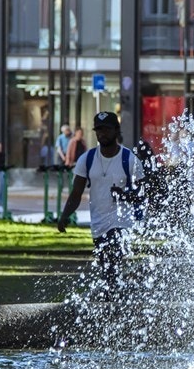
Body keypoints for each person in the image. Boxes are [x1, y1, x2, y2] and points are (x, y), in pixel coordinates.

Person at [55, 112, 136, 286]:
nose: (102, 134)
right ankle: (115, 296)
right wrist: (64, 216)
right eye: (98, 130)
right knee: (105, 266)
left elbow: (144, 194)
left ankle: (112, 297)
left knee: (113, 259)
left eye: (106, 129)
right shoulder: (87, 159)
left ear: (116, 130)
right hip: (99, 223)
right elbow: (76, 193)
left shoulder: (129, 159)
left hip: (121, 222)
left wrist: (125, 195)